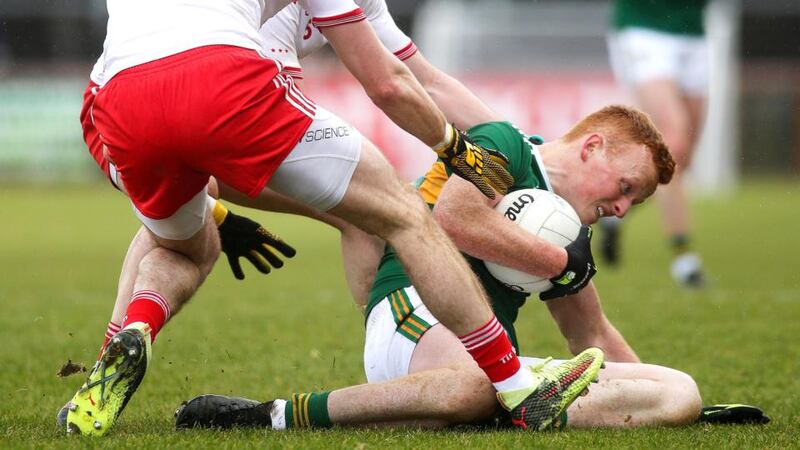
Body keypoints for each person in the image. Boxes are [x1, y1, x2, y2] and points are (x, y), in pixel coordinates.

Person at [62, 0, 599, 436]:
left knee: (182, 244)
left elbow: (422, 79)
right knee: (405, 214)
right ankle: (516, 385)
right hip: (224, 80)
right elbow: (386, 84)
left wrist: (522, 150)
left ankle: (123, 344)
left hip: (119, 100)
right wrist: (455, 148)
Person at [175, 105, 705, 430]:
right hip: (412, 318)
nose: (619, 209)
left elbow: (589, 332)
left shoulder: (569, 233)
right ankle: (270, 414)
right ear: (593, 147)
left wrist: (653, 390)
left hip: (493, 363)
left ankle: (502, 412)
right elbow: (453, 219)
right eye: (625, 189)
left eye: (631, 206)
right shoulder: (505, 146)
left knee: (678, 392)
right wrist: (560, 262)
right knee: (474, 386)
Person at [603, 0, 710, 287]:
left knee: (681, 160)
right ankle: (684, 259)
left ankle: (614, 211)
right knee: (673, 143)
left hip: (693, 32)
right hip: (644, 27)